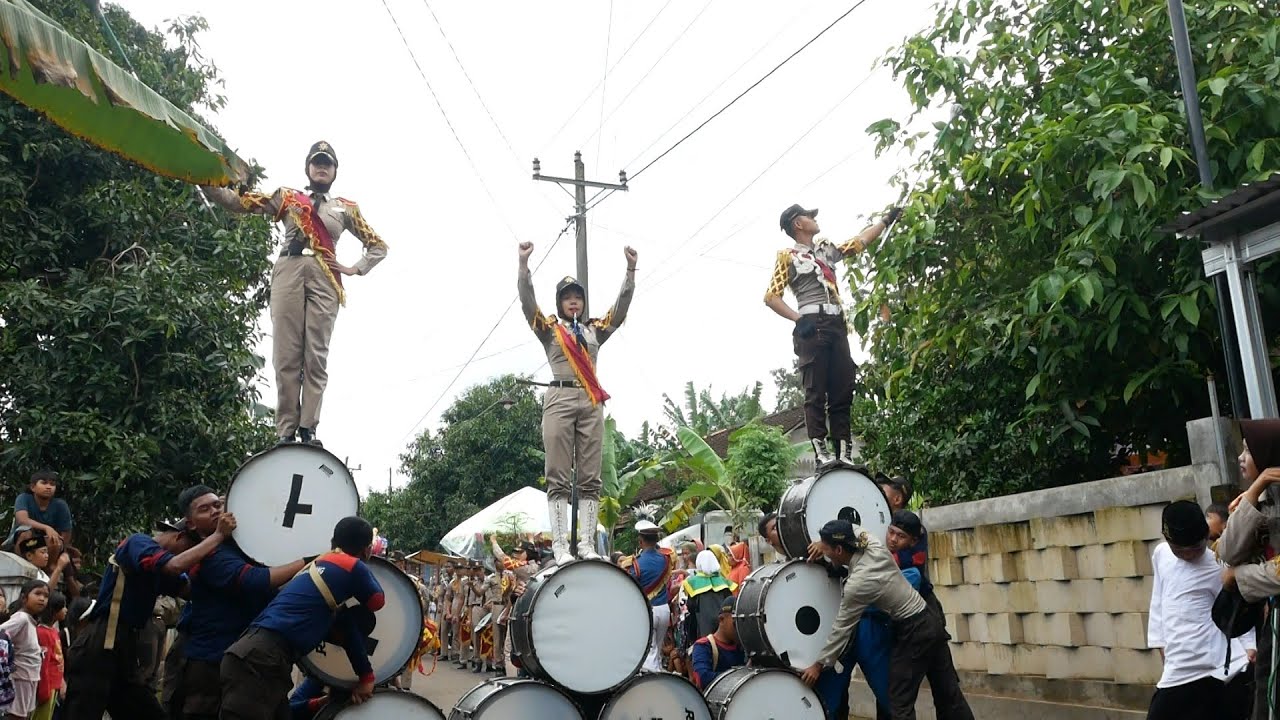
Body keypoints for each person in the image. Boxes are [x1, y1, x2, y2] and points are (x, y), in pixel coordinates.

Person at [203, 141, 388, 446]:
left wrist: (354, 268)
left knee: (315, 355)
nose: (322, 167)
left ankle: (309, 428)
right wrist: (206, 180)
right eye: (317, 162)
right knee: (286, 354)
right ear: (308, 168)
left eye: (327, 163)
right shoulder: (288, 197)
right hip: (288, 270)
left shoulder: (346, 207)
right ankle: (286, 430)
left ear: (335, 170)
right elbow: (241, 203)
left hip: (325, 277)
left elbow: (377, 246)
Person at [63, 494, 237, 720]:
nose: (191, 557)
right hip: (100, 642)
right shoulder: (139, 543)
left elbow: (191, 590)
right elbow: (175, 565)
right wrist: (218, 535)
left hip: (126, 647)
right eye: (192, 548)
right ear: (179, 536)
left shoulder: (162, 572)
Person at [518, 241, 637, 564]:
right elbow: (528, 305)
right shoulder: (550, 330)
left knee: (590, 477)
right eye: (568, 298)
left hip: (590, 399)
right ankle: (559, 546)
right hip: (559, 396)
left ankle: (586, 543)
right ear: (560, 303)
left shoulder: (595, 329)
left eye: (578, 297)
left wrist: (630, 271)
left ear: (583, 303)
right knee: (557, 473)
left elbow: (621, 309)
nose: (574, 302)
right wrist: (524, 266)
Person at [764, 204, 899, 467]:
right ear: (798, 224)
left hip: (837, 323)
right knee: (815, 390)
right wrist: (797, 318)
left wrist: (885, 220)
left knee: (843, 387)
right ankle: (821, 453)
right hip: (812, 324)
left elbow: (858, 243)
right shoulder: (788, 257)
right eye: (808, 216)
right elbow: (771, 296)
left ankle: (845, 453)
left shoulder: (826, 249)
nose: (814, 219)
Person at [801, 519, 973, 720]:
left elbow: (842, 629)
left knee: (898, 701)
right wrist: (822, 541)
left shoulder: (858, 584)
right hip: (930, 621)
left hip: (914, 631)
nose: (824, 553)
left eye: (826, 548)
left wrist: (818, 664)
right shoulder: (873, 546)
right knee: (948, 692)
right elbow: (854, 528)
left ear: (839, 550)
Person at [220, 516, 384, 720]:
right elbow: (377, 601)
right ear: (367, 549)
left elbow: (348, 631)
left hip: (256, 655)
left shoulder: (316, 568)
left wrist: (364, 678)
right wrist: (367, 678)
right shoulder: (352, 566)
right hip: (262, 660)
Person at [180, 486, 307, 720]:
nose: (215, 512)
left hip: (247, 660)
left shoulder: (244, 547)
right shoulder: (211, 555)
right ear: (191, 524)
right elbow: (255, 580)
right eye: (204, 509)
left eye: (217, 505)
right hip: (211, 661)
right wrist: (308, 560)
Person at [1147, 500, 1253, 720]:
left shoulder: (1219, 562)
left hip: (1221, 666)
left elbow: (1235, 608)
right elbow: (1159, 601)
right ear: (1167, 541)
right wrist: (1160, 643)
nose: (1188, 555)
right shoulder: (1161, 555)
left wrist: (1249, 646)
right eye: (1179, 550)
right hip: (1180, 666)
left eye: (1195, 548)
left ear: (1206, 536)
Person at [1218, 419, 1280, 719]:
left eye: (1248, 449)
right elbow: (1228, 552)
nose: (1241, 458)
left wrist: (1238, 577)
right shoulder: (1262, 501)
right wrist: (1256, 490)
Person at [624, 520, 674, 672]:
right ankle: (657, 673)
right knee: (657, 649)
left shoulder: (636, 563)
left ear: (640, 541)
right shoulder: (666, 559)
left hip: (647, 610)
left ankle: (652, 681)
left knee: (649, 651)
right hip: (664, 610)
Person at [491, 536, 539, 678]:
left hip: (520, 612)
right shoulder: (536, 566)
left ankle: (512, 681)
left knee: (509, 649)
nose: (516, 555)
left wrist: (494, 543)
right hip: (531, 612)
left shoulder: (523, 568)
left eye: (520, 552)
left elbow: (502, 558)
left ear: (527, 554)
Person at [0, 580, 48, 720]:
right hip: (21, 677)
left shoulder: (30, 620)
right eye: (37, 593)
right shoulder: (21, 619)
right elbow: (2, 633)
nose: (42, 599)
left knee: (23, 715)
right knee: (16, 716)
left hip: (29, 677)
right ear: (24, 598)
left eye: (45, 596)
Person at [10, 470, 72, 556]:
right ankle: (21, 563)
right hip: (28, 543)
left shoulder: (60, 505)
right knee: (25, 533)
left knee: (55, 540)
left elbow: (66, 533)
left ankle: (51, 567)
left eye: (52, 484)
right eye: (44, 483)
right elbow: (22, 520)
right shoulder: (23, 498)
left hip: (48, 544)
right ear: (33, 487)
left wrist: (61, 546)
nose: (48, 487)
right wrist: (47, 528)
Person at [689, 597, 745, 690]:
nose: (739, 628)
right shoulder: (704, 646)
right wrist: (741, 677)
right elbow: (703, 679)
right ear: (721, 619)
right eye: (735, 624)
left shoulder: (743, 647)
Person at [681, 550, 737, 641]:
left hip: (704, 626)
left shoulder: (693, 582)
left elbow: (691, 606)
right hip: (724, 626)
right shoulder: (723, 582)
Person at [32, 591, 66, 720]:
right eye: (63, 607)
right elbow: (44, 663)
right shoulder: (43, 633)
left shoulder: (53, 631)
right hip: (47, 687)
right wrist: (44, 692)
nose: (66, 610)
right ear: (54, 610)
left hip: (54, 685)